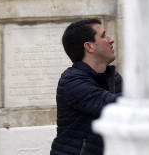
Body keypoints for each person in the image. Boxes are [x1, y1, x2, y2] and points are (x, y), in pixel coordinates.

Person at [50, 18, 122, 155]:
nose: (111, 39)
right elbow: (112, 105)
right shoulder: (71, 81)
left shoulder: (114, 78)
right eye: (103, 36)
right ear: (89, 47)